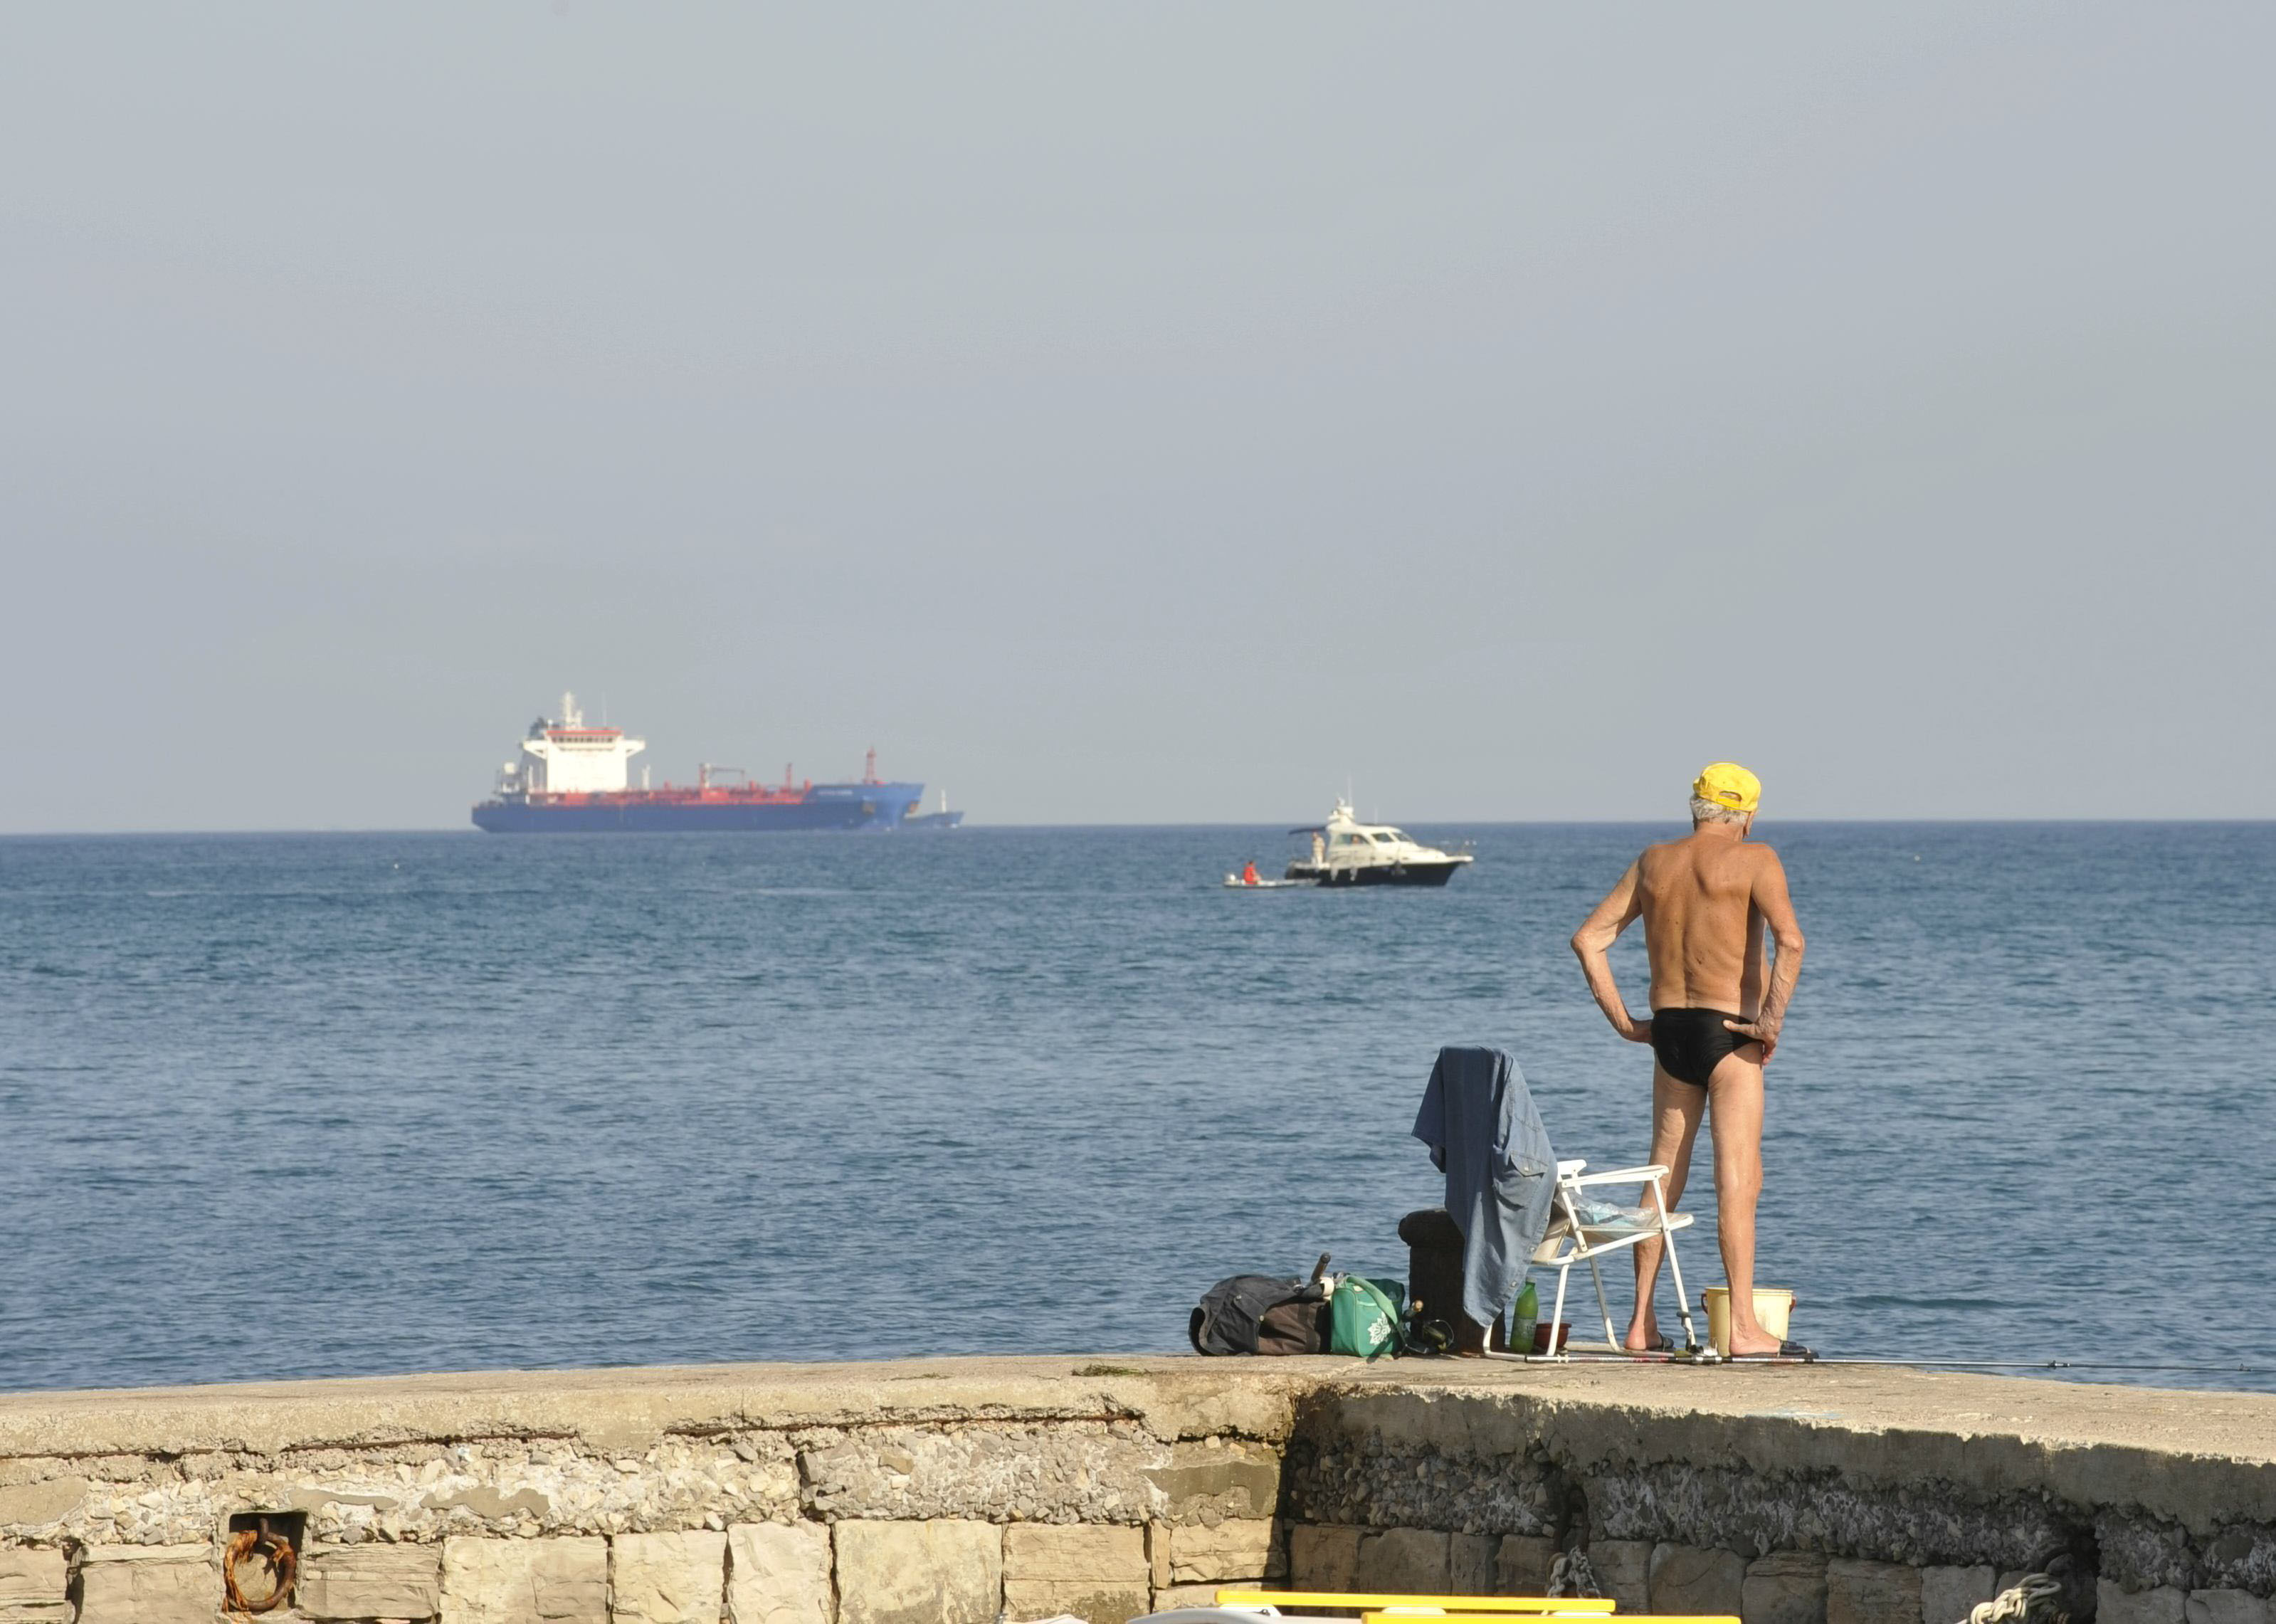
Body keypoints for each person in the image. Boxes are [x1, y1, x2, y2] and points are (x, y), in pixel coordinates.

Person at [1569, 761, 1808, 1358]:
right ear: (1747, 815)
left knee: (1661, 1179)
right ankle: (1745, 1330)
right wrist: (1770, 1022)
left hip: (1670, 1032)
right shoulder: (1757, 859)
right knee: (1739, 1180)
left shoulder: (1654, 861)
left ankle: (1641, 1323)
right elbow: (1792, 942)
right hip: (1730, 1033)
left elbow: (1588, 939)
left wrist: (1628, 1025)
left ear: (1695, 809)